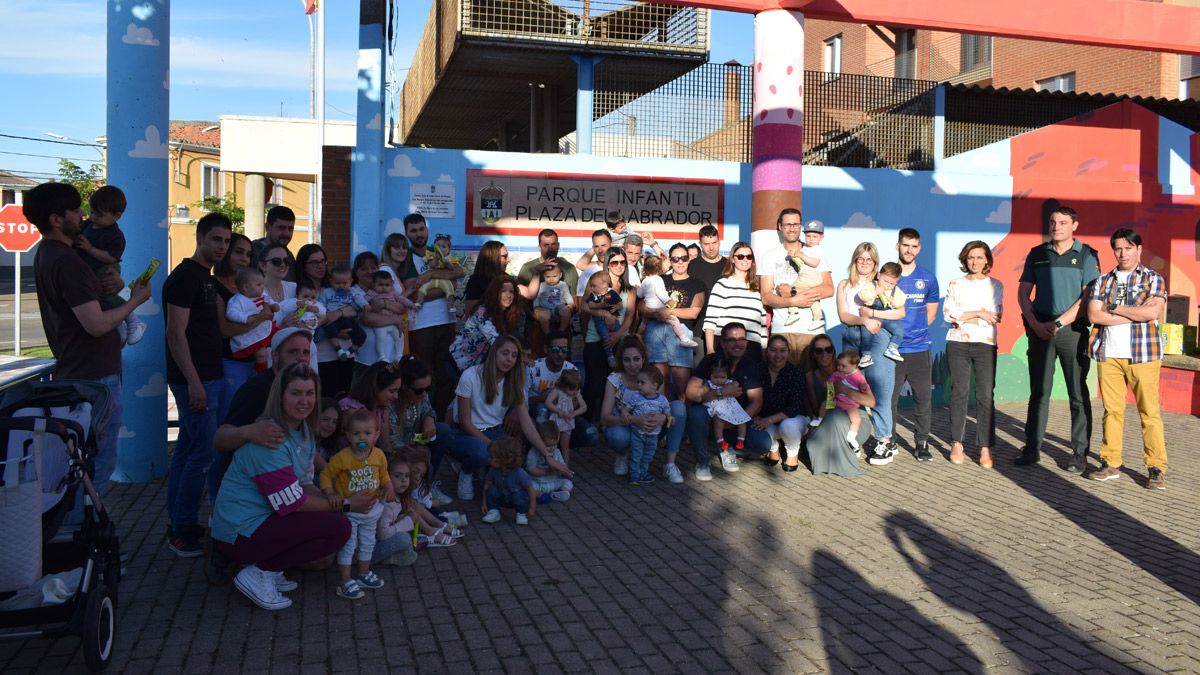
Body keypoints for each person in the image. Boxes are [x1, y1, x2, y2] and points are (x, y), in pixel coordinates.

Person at [27, 182, 151, 506]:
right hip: (94, 378)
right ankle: (83, 541)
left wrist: (117, 284)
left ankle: (80, 540)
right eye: (76, 210)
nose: (83, 215)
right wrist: (134, 301)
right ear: (57, 219)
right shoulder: (66, 261)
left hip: (82, 372)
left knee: (86, 464)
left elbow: (93, 295)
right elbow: (95, 324)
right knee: (96, 465)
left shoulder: (52, 254)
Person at [210, 363, 364, 611]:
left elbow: (303, 483)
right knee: (339, 527)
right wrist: (346, 504)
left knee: (334, 518)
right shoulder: (270, 436)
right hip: (238, 532)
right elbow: (292, 502)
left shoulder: (303, 431)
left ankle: (269, 569)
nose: (304, 400)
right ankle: (260, 571)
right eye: (295, 393)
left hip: (262, 519)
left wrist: (337, 498)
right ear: (280, 396)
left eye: (310, 393)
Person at [164, 212, 231, 557]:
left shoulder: (206, 278)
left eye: (226, 241)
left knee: (189, 451)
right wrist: (193, 383)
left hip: (212, 374)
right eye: (216, 239)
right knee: (203, 453)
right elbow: (175, 335)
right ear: (201, 238)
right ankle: (182, 530)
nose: (222, 246)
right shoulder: (184, 278)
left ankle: (178, 521)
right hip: (195, 379)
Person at [1015, 205, 1099, 471]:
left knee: (1077, 393)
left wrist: (1059, 322)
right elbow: (1023, 294)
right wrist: (1035, 324)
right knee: (1039, 393)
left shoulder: (1086, 255)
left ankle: (1079, 453)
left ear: (1074, 225)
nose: (1056, 226)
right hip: (1040, 332)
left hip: (1072, 333)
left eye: (1062, 222)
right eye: (1053, 222)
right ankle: (1032, 449)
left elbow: (1087, 298)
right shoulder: (1037, 254)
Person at [1085, 228, 1168, 488]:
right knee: (1112, 411)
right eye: (1118, 248)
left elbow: (1152, 313)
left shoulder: (1153, 278)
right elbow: (1094, 316)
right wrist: (1134, 312)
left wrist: (1114, 308)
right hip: (1109, 354)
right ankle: (1110, 463)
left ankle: (1156, 467)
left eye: (1128, 248)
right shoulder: (1104, 281)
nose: (1123, 253)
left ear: (1139, 250)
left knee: (1149, 412)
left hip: (1143, 354)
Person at [448, 334, 570, 500]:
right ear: (494, 353)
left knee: (514, 458)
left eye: (514, 355)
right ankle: (466, 470)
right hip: (467, 433)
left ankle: (488, 474)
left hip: (497, 432)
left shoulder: (514, 381)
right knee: (483, 453)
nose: (509, 359)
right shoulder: (471, 376)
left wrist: (548, 456)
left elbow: (527, 423)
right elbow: (464, 422)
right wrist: (493, 446)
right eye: (505, 353)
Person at [835, 243, 900, 466]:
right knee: (851, 393)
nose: (864, 263)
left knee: (879, 391)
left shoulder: (881, 285)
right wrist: (863, 319)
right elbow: (844, 315)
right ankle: (855, 440)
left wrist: (872, 317)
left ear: (875, 264)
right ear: (854, 261)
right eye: (860, 259)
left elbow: (896, 312)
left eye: (869, 260)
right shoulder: (844, 284)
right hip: (852, 338)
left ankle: (885, 441)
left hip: (876, 338)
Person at [320, 408, 393, 599]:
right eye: (356, 433)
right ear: (348, 436)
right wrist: (330, 493)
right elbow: (326, 474)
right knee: (348, 545)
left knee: (368, 543)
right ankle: (345, 581)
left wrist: (389, 486)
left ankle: (363, 574)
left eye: (367, 433)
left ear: (376, 435)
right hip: (350, 512)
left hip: (372, 510)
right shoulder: (342, 458)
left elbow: (384, 474)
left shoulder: (378, 455)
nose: (362, 437)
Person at [943, 241, 1003, 468]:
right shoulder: (955, 284)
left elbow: (996, 315)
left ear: (987, 259)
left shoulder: (995, 285)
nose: (975, 262)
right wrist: (979, 313)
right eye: (970, 258)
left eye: (979, 257)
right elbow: (948, 315)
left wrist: (964, 316)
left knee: (985, 395)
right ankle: (957, 442)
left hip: (985, 344)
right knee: (959, 392)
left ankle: (985, 447)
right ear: (964, 260)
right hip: (957, 343)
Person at [399, 214, 465, 416]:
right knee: (422, 378)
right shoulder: (405, 257)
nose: (419, 234)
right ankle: (417, 420)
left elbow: (460, 271)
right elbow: (411, 292)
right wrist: (446, 288)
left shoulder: (437, 250)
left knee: (446, 378)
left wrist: (430, 275)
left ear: (427, 229)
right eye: (413, 230)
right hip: (420, 327)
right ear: (407, 233)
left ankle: (437, 421)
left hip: (447, 323)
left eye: (421, 229)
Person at [685, 323, 770, 477]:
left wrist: (736, 420)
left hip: (737, 423)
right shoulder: (710, 361)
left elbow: (757, 401)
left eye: (741, 339)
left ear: (747, 343)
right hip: (711, 418)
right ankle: (703, 461)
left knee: (763, 444)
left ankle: (727, 448)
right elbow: (691, 392)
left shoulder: (750, 365)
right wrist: (721, 392)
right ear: (722, 344)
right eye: (731, 340)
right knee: (696, 414)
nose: (737, 343)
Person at [599, 335, 688, 481]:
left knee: (678, 408)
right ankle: (622, 455)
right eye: (627, 360)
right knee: (618, 437)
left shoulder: (654, 376)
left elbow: (662, 404)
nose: (632, 364)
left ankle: (670, 464)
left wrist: (664, 417)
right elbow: (604, 417)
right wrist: (634, 420)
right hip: (627, 428)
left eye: (636, 359)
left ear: (643, 359)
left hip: (651, 428)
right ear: (621, 361)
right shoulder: (614, 379)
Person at [890, 228, 941, 462]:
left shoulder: (928, 278)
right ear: (898, 246)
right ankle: (887, 441)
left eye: (914, 246)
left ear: (919, 249)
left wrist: (914, 333)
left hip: (920, 349)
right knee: (889, 400)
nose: (909, 250)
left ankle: (921, 442)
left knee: (923, 398)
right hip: (892, 349)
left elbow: (931, 314)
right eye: (905, 245)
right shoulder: (887, 276)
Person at [73, 184, 147, 345]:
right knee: (101, 300)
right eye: (92, 212)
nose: (93, 217)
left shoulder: (115, 236)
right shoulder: (86, 225)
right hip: (90, 268)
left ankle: (134, 322)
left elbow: (110, 257)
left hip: (106, 267)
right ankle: (120, 328)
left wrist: (89, 248)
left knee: (112, 297)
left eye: (99, 215)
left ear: (117, 216)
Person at [760, 211, 834, 365]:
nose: (792, 228)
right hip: (782, 330)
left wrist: (794, 292)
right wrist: (793, 301)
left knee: (812, 386)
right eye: (788, 224)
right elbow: (766, 296)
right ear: (780, 226)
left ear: (800, 226)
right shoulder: (769, 255)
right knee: (781, 386)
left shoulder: (814, 252)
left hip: (812, 332)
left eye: (795, 224)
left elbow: (828, 289)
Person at [214, 233, 273, 418]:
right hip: (230, 361)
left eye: (248, 254)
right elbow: (225, 330)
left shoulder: (254, 288)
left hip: (255, 360)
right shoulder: (215, 287)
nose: (244, 258)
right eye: (239, 252)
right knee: (231, 414)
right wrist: (261, 317)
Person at [641, 244, 705, 397]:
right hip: (656, 330)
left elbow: (694, 312)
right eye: (676, 259)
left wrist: (667, 311)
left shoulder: (698, 284)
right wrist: (656, 313)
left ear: (689, 259)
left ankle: (681, 417)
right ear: (670, 261)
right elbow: (641, 306)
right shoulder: (658, 279)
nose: (680, 262)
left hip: (680, 332)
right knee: (658, 383)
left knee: (681, 386)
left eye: (684, 258)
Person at [388, 355, 454, 504]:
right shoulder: (391, 403)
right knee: (424, 463)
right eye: (419, 390)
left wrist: (429, 420)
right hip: (396, 452)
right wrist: (418, 455)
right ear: (404, 386)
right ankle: (417, 488)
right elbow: (393, 443)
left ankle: (427, 485)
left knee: (442, 430)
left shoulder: (421, 394)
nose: (424, 394)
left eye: (428, 389)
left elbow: (429, 410)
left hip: (415, 441)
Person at [806, 358, 878, 477]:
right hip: (832, 413)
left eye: (827, 350)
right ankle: (823, 461)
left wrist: (844, 389)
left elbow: (871, 402)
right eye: (819, 351)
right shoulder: (823, 376)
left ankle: (851, 441)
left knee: (837, 418)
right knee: (829, 417)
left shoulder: (856, 376)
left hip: (852, 412)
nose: (824, 354)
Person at [449, 275, 527, 375]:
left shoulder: (509, 314)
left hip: (476, 367)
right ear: (495, 293)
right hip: (457, 363)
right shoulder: (482, 311)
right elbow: (496, 340)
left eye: (511, 292)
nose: (508, 295)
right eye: (503, 291)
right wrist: (521, 357)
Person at [702, 242, 767, 360]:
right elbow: (710, 322)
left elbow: (762, 324)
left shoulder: (757, 287)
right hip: (727, 345)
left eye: (749, 256)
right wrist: (710, 350)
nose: (745, 260)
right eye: (741, 256)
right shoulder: (722, 284)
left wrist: (763, 351)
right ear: (732, 259)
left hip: (753, 348)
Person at [755, 334, 809, 472]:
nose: (778, 355)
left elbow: (794, 406)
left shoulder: (796, 373)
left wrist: (769, 419)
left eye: (782, 350)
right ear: (767, 352)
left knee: (787, 426)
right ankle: (774, 449)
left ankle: (792, 452)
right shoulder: (758, 370)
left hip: (794, 419)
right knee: (758, 428)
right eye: (773, 350)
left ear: (788, 352)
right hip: (768, 419)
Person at [844, 262, 907, 368]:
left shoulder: (895, 291)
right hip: (871, 317)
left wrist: (894, 301)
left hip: (885, 317)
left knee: (899, 330)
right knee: (866, 334)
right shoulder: (871, 285)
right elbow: (863, 296)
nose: (888, 285)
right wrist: (875, 292)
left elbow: (902, 300)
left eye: (892, 284)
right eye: (885, 281)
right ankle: (866, 355)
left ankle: (892, 348)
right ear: (878, 275)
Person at [638, 253, 700, 350]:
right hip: (659, 309)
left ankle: (639, 338)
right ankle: (683, 338)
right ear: (659, 268)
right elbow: (661, 293)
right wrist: (669, 301)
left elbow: (639, 294)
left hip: (648, 309)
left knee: (644, 323)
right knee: (674, 320)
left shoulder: (645, 280)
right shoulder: (658, 279)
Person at [623, 367, 673, 486]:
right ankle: (634, 475)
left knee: (648, 456)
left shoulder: (662, 400)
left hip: (653, 435)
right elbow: (626, 409)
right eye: (638, 382)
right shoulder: (636, 397)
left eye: (642, 382)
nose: (639, 385)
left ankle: (643, 473)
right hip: (637, 433)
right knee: (636, 454)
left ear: (654, 385)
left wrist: (670, 419)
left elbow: (668, 413)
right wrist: (626, 415)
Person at [338, 360, 402, 452]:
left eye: (397, 391)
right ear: (375, 388)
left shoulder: (381, 409)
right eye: (392, 391)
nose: (396, 396)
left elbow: (385, 445)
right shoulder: (351, 410)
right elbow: (359, 448)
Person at [226, 268, 279, 371]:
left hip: (264, 327)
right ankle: (262, 374)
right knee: (262, 354)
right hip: (250, 333)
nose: (263, 287)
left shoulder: (262, 295)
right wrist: (245, 318)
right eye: (259, 285)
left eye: (263, 284)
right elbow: (231, 313)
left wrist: (274, 305)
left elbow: (270, 301)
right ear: (246, 287)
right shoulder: (237, 301)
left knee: (281, 340)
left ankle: (278, 368)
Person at [373, 455, 419, 567]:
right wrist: (407, 521)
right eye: (397, 476)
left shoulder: (395, 497)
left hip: (374, 544)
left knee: (405, 533)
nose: (403, 480)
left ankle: (394, 556)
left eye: (406, 476)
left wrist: (403, 518)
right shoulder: (386, 503)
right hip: (367, 553)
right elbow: (383, 534)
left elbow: (389, 522)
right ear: (387, 477)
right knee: (404, 538)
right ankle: (387, 558)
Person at [480, 436, 537, 526]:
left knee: (519, 495)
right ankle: (494, 511)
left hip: (515, 498)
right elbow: (486, 487)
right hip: (502, 497)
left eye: (491, 457)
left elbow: (531, 490)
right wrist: (484, 503)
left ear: (503, 459)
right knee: (492, 489)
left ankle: (521, 513)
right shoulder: (493, 470)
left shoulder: (519, 473)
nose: (488, 459)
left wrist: (532, 508)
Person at [688, 224, 727, 352]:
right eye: (706, 244)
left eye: (714, 243)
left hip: (724, 330)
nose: (711, 248)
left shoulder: (729, 266)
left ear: (719, 242)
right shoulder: (693, 265)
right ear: (700, 244)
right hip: (697, 330)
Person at [318, 263, 368, 363]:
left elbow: (360, 301)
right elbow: (321, 306)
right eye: (338, 283)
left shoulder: (352, 292)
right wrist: (324, 313)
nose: (341, 286)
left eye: (345, 283)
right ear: (331, 281)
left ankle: (349, 351)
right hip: (332, 319)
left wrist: (365, 305)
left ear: (350, 282)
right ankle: (339, 350)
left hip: (348, 319)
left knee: (362, 335)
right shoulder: (327, 292)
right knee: (329, 329)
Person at [364, 270, 415, 362]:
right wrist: (366, 306)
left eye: (387, 285)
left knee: (400, 337)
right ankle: (382, 356)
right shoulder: (372, 293)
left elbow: (402, 299)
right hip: (380, 322)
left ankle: (399, 355)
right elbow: (364, 302)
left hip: (393, 321)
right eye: (380, 285)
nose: (384, 288)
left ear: (391, 285)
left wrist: (411, 305)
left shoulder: (392, 293)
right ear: (373, 284)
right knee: (380, 338)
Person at [704, 358, 752, 453]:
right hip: (717, 407)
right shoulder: (709, 384)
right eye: (715, 377)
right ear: (710, 375)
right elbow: (705, 394)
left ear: (727, 376)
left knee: (742, 419)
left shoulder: (729, 383)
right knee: (718, 421)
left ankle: (741, 439)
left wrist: (734, 388)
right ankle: (720, 440)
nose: (719, 380)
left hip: (730, 407)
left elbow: (737, 386)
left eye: (722, 377)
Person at [275, 279, 325, 371]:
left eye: (313, 297)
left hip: (309, 339)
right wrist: (298, 304)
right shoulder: (294, 302)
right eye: (305, 296)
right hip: (293, 338)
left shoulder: (316, 305)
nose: (309, 299)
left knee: (312, 366)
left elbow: (323, 312)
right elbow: (284, 307)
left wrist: (315, 309)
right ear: (297, 296)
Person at [541, 369, 586, 464]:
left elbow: (584, 407)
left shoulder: (576, 393)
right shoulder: (557, 391)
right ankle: (551, 463)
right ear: (564, 386)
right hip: (556, 421)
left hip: (567, 422)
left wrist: (574, 413)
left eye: (577, 388)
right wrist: (559, 412)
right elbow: (548, 402)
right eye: (571, 389)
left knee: (565, 445)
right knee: (552, 444)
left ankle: (565, 466)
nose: (574, 391)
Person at [828, 350, 871, 451]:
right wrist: (828, 384)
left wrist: (863, 388)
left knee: (856, 419)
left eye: (843, 366)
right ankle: (819, 421)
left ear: (854, 366)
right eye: (838, 365)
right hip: (838, 400)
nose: (840, 368)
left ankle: (851, 436)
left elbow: (864, 387)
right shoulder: (838, 374)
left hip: (850, 404)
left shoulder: (858, 376)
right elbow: (830, 382)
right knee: (824, 406)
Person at [517, 228, 579, 297]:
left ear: (558, 246)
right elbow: (520, 298)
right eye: (546, 245)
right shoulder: (527, 268)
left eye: (553, 244)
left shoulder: (570, 269)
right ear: (539, 247)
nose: (550, 248)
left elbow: (575, 298)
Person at [527, 421, 574, 501]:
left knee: (568, 483)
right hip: (538, 483)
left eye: (555, 444)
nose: (552, 448)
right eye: (548, 445)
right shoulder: (534, 452)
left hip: (553, 482)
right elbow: (531, 469)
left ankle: (559, 493)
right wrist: (547, 471)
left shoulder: (557, 452)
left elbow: (562, 465)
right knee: (528, 486)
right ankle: (542, 496)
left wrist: (564, 470)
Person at [250, 205, 297, 281]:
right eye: (281, 228)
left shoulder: (289, 256)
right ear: (268, 227)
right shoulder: (251, 252)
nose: (287, 233)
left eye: (290, 229)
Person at [531, 261, 574, 335]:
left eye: (554, 276)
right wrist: (536, 307)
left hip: (559, 306)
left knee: (567, 312)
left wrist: (570, 304)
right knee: (543, 315)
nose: (551, 279)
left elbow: (567, 295)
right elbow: (537, 297)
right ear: (543, 276)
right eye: (548, 277)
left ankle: (562, 330)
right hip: (544, 307)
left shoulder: (563, 285)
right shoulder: (541, 285)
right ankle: (547, 333)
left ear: (560, 275)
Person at [574, 228, 613, 301]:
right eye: (596, 246)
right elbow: (581, 304)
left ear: (612, 245)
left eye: (603, 245)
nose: (600, 250)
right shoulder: (587, 273)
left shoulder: (622, 268)